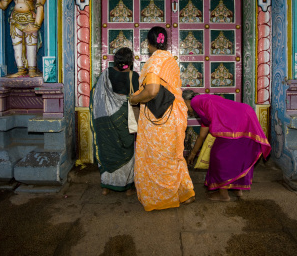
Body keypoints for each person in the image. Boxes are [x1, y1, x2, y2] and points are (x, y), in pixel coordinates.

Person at [129, 26, 195, 211]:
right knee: (174, 156)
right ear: (164, 42)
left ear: (148, 43)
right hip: (175, 115)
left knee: (159, 158)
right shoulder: (170, 59)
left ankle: (163, 198)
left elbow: (152, 91)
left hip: (160, 119)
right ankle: (185, 193)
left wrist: (133, 99)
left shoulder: (154, 61)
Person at [183, 90, 271, 202]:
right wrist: (193, 154)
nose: (186, 110)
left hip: (236, 122)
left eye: (185, 106)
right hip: (245, 114)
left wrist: (192, 154)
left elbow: (202, 134)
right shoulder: (204, 103)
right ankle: (237, 189)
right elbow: (202, 134)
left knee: (218, 156)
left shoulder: (195, 102)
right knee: (236, 156)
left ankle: (223, 194)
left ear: (186, 101)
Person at [90, 47, 139, 195]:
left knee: (107, 149)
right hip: (124, 118)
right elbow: (136, 99)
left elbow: (96, 96)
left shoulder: (106, 74)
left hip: (105, 119)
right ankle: (127, 187)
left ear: (115, 61)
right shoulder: (134, 76)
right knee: (127, 150)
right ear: (130, 62)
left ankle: (106, 186)